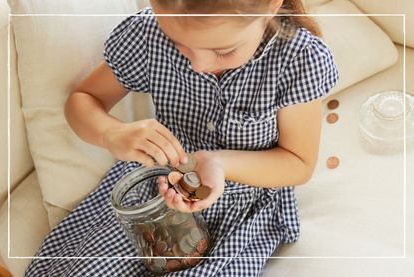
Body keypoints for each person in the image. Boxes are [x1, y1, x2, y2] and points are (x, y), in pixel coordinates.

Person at [25, 0, 338, 276]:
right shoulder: (146, 35)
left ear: (272, 5)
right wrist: (110, 133)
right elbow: (83, 99)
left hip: (243, 206)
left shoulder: (299, 59)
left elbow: (298, 163)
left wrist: (217, 162)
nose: (198, 66)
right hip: (152, 189)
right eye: (177, 43)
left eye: (224, 50)